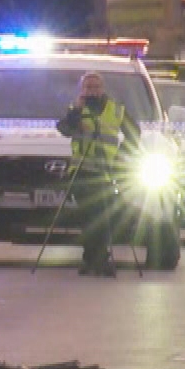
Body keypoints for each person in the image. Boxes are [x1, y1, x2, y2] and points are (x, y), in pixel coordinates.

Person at [56, 72, 142, 277]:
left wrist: (121, 156)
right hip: (82, 172)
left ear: (103, 88)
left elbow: (134, 132)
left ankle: (93, 259)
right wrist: (76, 110)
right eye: (87, 87)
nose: (92, 90)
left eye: (95, 86)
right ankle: (97, 259)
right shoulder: (76, 109)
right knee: (91, 216)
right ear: (81, 89)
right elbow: (65, 129)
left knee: (103, 216)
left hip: (104, 172)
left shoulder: (115, 109)